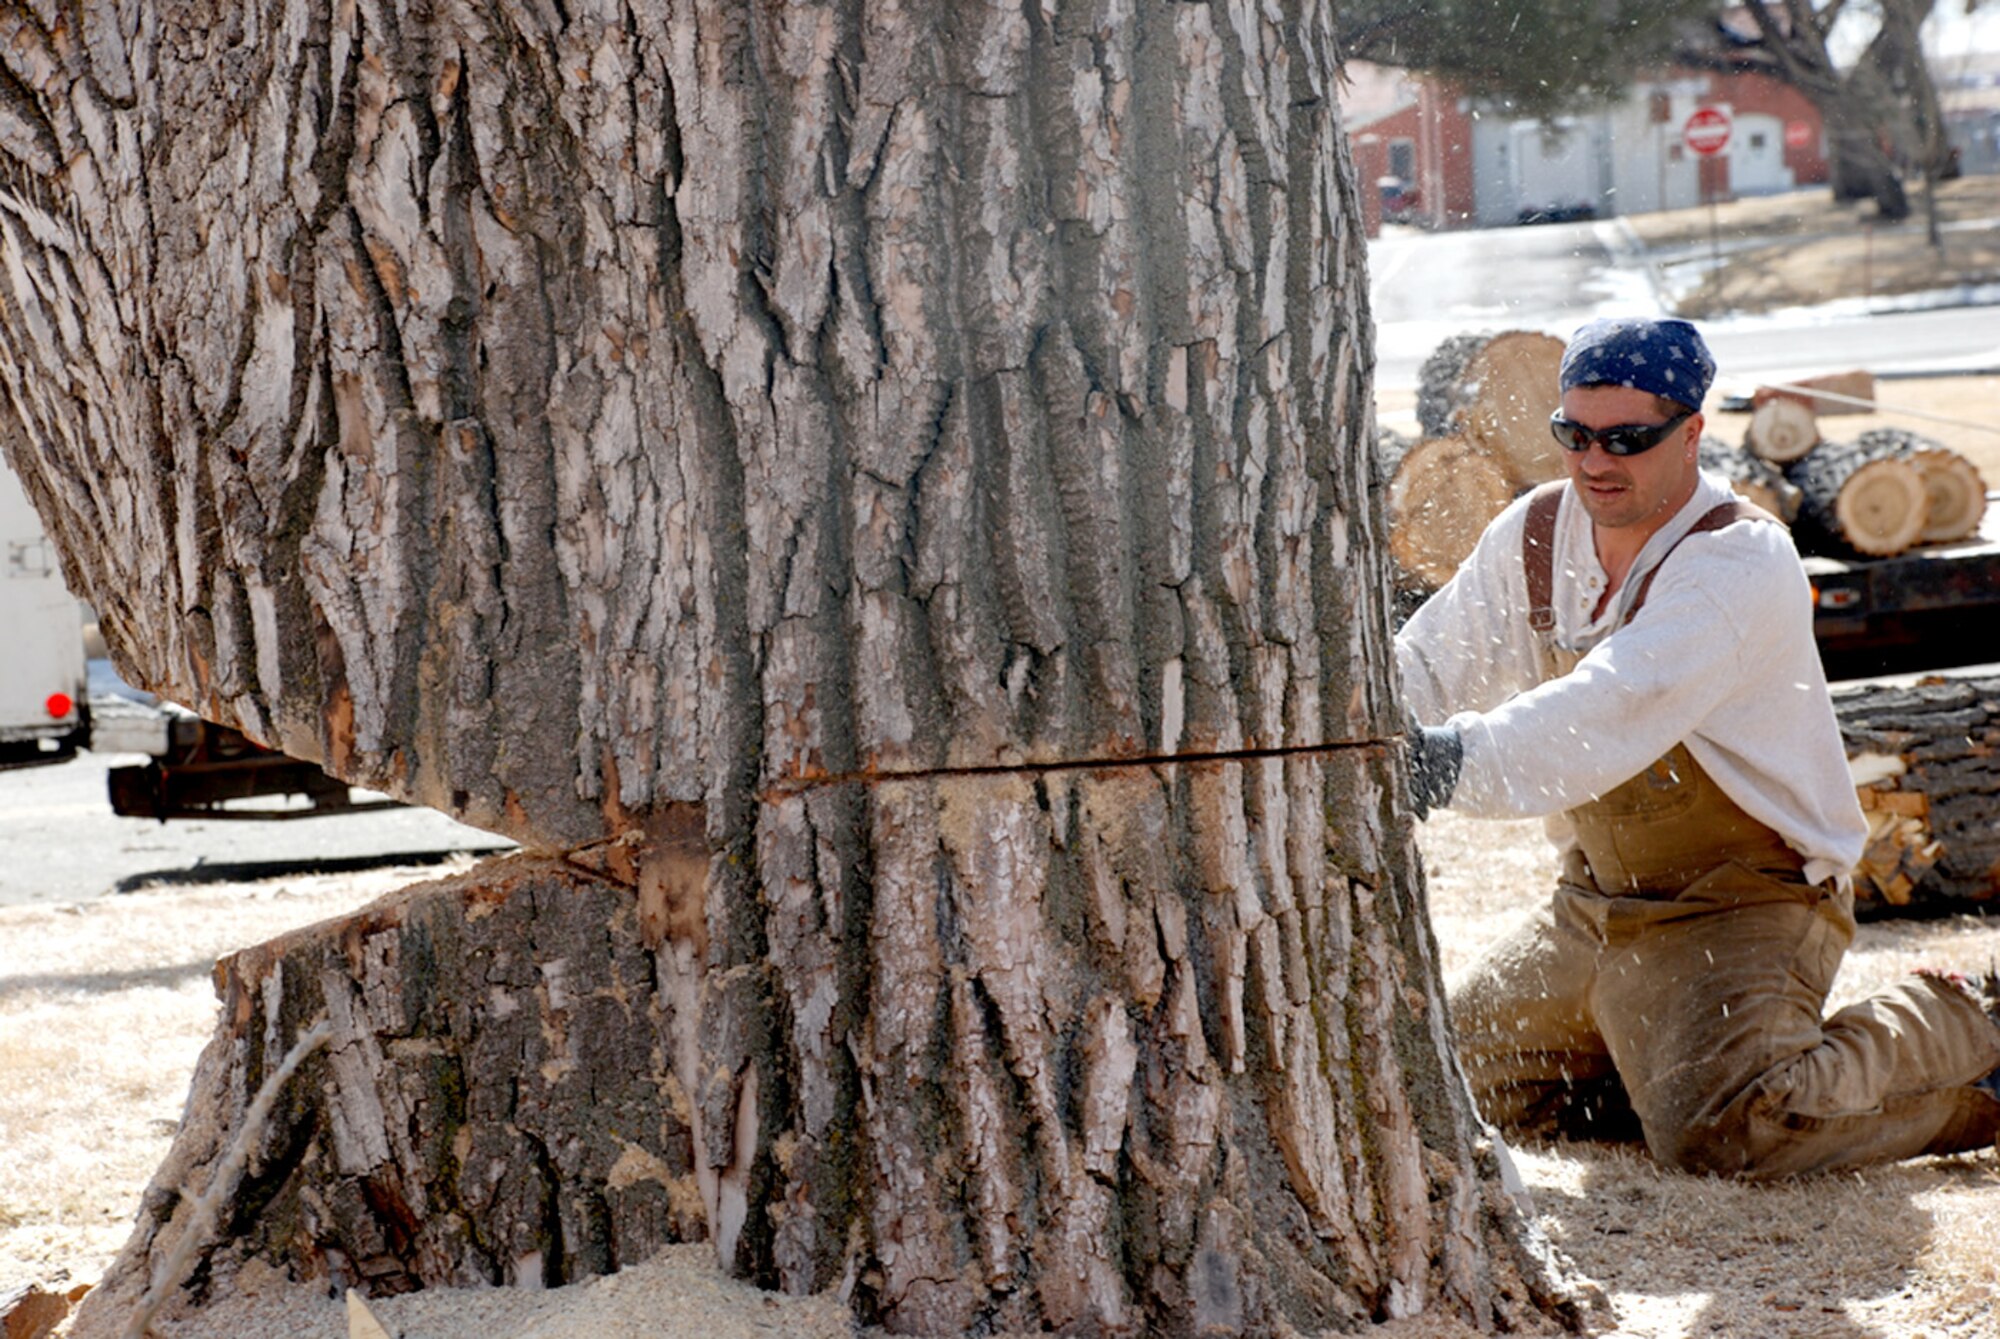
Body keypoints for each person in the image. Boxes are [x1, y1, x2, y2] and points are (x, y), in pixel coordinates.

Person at [1398, 316, 2000, 1178]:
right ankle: (1669, 1061)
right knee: (1466, 1082)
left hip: (1743, 903)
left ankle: (1968, 1026)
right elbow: (1427, 660)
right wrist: (1355, 726)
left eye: (1627, 439)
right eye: (1573, 434)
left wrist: (1443, 764)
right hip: (1599, 904)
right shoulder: (1535, 533)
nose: (1594, 462)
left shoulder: (1736, 562)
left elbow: (1604, 712)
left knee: (1730, 1132)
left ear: (1691, 435)